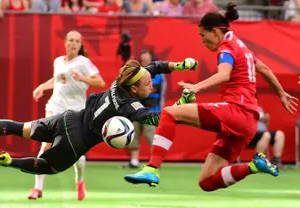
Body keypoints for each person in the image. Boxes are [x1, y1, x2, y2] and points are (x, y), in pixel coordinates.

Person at [124, 2, 298, 192]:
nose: (202, 41)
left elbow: (224, 75)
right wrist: (281, 93)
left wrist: (196, 87)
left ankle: (152, 168)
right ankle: (253, 166)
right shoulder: (242, 46)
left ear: (215, 32)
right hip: (247, 123)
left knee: (169, 113)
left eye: (203, 35)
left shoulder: (227, 47)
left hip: (236, 112)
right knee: (207, 182)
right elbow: (264, 68)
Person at [0, 59, 199, 188]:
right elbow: (156, 118)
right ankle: (8, 160)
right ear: (134, 88)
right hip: (77, 141)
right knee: (50, 168)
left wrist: (178, 66)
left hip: (68, 117)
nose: (151, 85)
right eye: (147, 84)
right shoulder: (130, 105)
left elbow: (152, 68)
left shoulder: (118, 82)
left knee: (21, 127)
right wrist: (184, 102)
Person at [29, 30, 106, 200]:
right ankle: (37, 188)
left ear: (80, 45)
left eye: (77, 41)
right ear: (65, 43)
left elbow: (101, 82)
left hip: (75, 112)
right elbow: (57, 80)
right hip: (55, 107)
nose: (73, 43)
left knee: (76, 152)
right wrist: (42, 87)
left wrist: (83, 78)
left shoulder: (84, 62)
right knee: (45, 145)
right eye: (71, 40)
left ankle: (80, 181)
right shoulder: (58, 61)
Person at [126, 50, 168, 168]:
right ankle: (134, 161)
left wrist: (138, 87)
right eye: (142, 60)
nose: (143, 61)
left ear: (151, 59)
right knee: (134, 134)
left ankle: (154, 162)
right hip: (136, 109)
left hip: (151, 110)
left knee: (151, 137)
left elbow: (150, 89)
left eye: (146, 59)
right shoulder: (137, 73)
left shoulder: (158, 74)